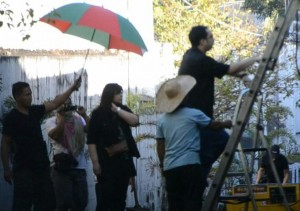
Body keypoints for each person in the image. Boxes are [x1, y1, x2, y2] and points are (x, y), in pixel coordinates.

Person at [178, 25, 261, 182]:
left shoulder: (192, 56)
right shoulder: (199, 60)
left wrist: (242, 75)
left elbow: (218, 70)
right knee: (215, 145)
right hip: (198, 120)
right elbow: (229, 69)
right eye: (210, 36)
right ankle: (200, 177)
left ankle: (201, 175)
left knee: (221, 141)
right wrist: (256, 58)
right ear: (202, 41)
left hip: (199, 117)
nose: (213, 39)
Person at [1, 76, 81, 211]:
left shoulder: (34, 111)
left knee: (47, 204)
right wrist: (7, 169)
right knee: (22, 205)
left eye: (31, 93)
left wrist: (73, 88)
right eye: (27, 95)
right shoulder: (11, 118)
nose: (30, 97)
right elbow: (5, 144)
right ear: (17, 97)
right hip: (23, 169)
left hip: (42, 168)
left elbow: (56, 103)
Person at [156, 75, 232, 211]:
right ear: (184, 97)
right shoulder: (193, 114)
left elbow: (160, 146)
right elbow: (213, 126)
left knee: (175, 205)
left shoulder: (162, 120)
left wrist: (162, 165)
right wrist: (226, 123)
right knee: (192, 203)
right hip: (190, 166)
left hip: (170, 169)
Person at [87, 83, 140, 211]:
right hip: (106, 163)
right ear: (110, 94)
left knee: (120, 199)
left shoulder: (123, 109)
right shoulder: (98, 114)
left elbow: (135, 121)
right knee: (106, 199)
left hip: (123, 163)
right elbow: (91, 141)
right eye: (117, 93)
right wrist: (95, 163)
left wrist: (117, 110)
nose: (121, 95)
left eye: (121, 92)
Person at [45, 98, 90, 211]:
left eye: (68, 104)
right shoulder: (52, 121)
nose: (66, 106)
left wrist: (84, 115)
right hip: (61, 168)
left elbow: (90, 130)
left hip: (79, 166)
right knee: (63, 204)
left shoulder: (78, 119)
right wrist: (62, 118)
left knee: (81, 202)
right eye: (63, 104)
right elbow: (56, 135)